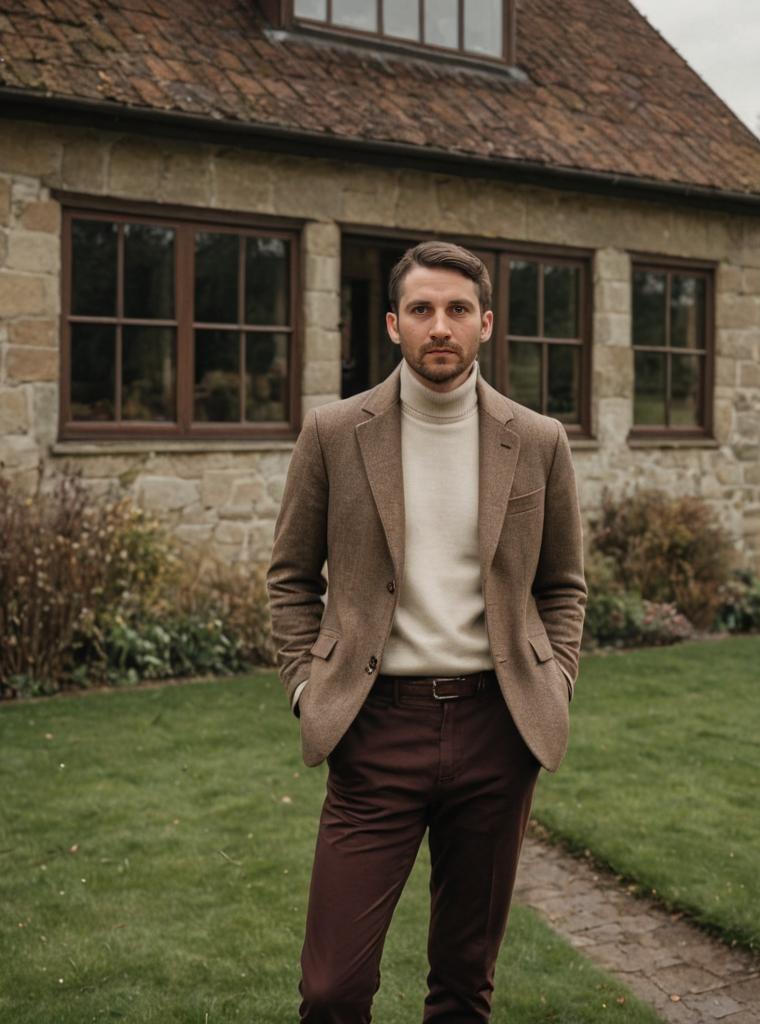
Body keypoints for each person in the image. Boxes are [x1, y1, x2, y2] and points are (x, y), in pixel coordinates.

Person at [267, 240, 587, 1023]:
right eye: (420, 310)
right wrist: (309, 689)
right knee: (331, 988)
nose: (437, 326)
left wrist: (557, 681)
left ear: (484, 323)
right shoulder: (335, 432)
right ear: (392, 324)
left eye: (454, 310)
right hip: (375, 729)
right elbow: (289, 578)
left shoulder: (538, 439)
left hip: (496, 729)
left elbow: (563, 585)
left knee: (462, 985)